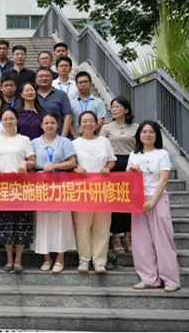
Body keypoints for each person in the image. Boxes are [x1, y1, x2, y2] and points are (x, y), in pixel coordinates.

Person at [127, 121, 180, 292]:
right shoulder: (133, 155)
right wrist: (132, 169)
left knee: (163, 240)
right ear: (139, 135)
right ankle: (149, 279)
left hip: (157, 199)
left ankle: (171, 280)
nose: (147, 135)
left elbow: (163, 180)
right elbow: (127, 179)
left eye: (151, 132)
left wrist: (153, 201)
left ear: (156, 135)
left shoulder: (162, 154)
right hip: (138, 201)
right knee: (141, 242)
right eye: (144, 132)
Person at [0, 107, 36, 273]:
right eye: (5, 119)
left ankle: (18, 259)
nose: (8, 122)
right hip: (2, 188)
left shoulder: (24, 140)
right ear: (1, 122)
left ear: (17, 120)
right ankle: (9, 258)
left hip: (21, 188)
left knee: (21, 222)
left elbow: (33, 161)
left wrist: (25, 163)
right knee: (5, 223)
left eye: (11, 118)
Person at [31, 113, 77, 273]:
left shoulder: (65, 142)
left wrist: (56, 166)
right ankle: (46, 258)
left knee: (61, 221)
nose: (49, 125)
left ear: (58, 125)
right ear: (41, 125)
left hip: (61, 184)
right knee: (43, 221)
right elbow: (31, 163)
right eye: (46, 123)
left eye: (52, 122)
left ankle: (60, 258)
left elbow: (72, 162)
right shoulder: (34, 143)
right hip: (41, 186)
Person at [72, 111, 117, 274]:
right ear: (79, 124)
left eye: (91, 121)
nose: (88, 124)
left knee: (102, 226)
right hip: (82, 190)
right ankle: (84, 259)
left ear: (97, 124)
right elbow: (71, 163)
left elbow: (112, 160)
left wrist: (108, 168)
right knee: (82, 226)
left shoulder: (104, 141)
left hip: (103, 189)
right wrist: (76, 169)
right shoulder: (74, 143)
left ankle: (99, 261)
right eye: (85, 121)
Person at [101, 96, 138, 253]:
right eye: (112, 107)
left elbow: (140, 148)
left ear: (126, 109)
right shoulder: (106, 128)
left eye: (117, 106)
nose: (114, 109)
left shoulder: (136, 127)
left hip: (131, 166)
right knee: (115, 202)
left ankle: (128, 236)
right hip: (113, 166)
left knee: (130, 202)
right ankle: (115, 236)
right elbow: (102, 149)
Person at [35, 67, 72, 137]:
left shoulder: (61, 95)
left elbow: (68, 117)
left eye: (47, 76)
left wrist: (62, 138)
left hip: (58, 136)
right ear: (36, 80)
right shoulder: (32, 96)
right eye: (41, 76)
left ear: (52, 78)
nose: (44, 78)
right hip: (37, 138)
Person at [70, 71, 106, 138]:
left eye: (86, 82)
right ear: (76, 85)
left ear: (91, 83)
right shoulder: (71, 103)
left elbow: (100, 122)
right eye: (80, 82)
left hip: (94, 138)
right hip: (76, 139)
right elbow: (69, 122)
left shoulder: (99, 102)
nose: (83, 84)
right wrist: (75, 136)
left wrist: (88, 134)